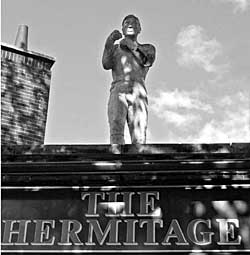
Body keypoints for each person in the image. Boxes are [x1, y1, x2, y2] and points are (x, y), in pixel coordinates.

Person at [102, 14, 156, 146]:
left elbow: (147, 61)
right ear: (122, 28)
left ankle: (138, 159)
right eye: (126, 23)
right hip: (118, 87)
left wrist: (132, 46)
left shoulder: (147, 48)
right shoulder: (115, 50)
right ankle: (116, 157)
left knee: (139, 129)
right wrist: (108, 44)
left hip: (137, 90)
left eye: (134, 23)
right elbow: (106, 64)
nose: (130, 24)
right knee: (115, 123)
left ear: (139, 29)